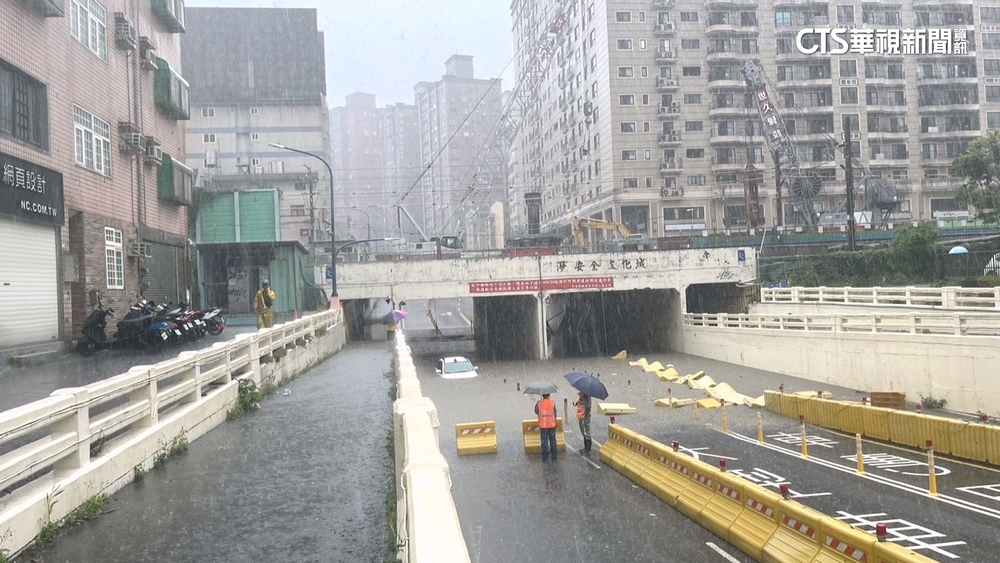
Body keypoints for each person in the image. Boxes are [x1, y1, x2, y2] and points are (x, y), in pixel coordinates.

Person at [534, 393, 558, 461]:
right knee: (553, 440)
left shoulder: (539, 403)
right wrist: (554, 420)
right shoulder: (552, 402)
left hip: (543, 425)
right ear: (549, 395)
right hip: (552, 424)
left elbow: (536, 411)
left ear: (542, 395)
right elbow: (555, 412)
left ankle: (545, 456)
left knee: (544, 441)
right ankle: (554, 455)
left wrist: (538, 403)